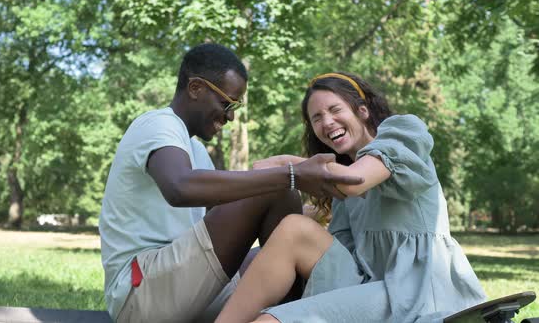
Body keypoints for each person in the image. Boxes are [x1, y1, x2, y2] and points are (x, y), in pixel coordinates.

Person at [98, 45, 364, 323]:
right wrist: (293, 174)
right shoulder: (157, 125)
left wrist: (318, 208)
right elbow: (179, 187)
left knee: (284, 250)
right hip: (142, 294)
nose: (230, 116)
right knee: (277, 187)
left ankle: (294, 315)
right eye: (227, 103)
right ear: (196, 88)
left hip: (183, 286)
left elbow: (224, 221)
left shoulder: (194, 150)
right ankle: (288, 314)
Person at [215, 72, 487, 323]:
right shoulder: (342, 185)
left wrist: (290, 164)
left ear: (362, 111)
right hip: (369, 286)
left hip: (416, 289)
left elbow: (355, 181)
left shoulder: (401, 134)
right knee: (294, 229)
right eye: (317, 118)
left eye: (335, 110)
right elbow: (335, 243)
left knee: (274, 320)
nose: (327, 122)